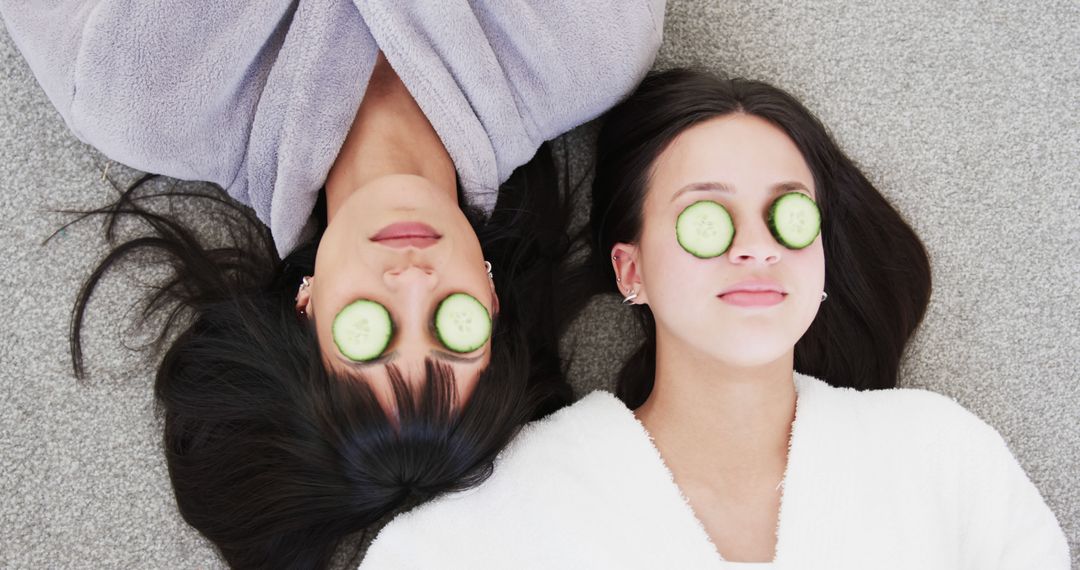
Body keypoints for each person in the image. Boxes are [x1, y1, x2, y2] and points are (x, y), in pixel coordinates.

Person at [1, 2, 664, 568]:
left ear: (306, 308)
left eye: (368, 332)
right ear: (490, 298)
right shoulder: (591, 45)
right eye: (452, 326)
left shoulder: (131, 95)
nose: (411, 282)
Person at [357, 69, 1070, 569]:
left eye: (788, 215)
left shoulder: (941, 456)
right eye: (707, 217)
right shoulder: (508, 505)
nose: (757, 245)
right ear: (630, 270)